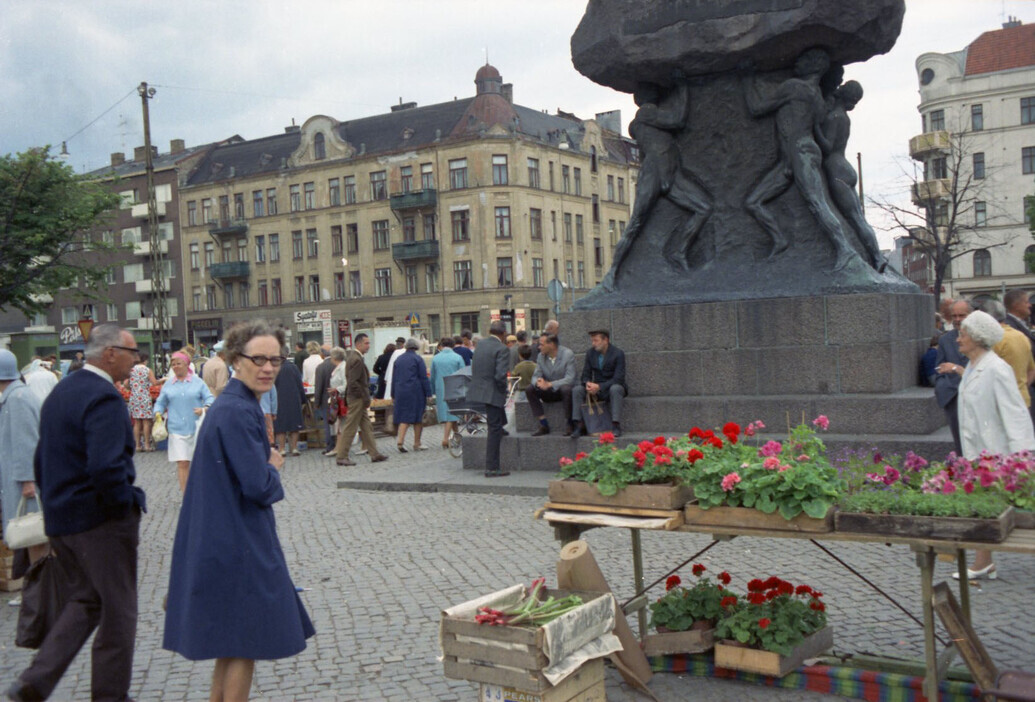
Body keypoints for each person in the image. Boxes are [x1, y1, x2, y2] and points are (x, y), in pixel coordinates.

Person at [163, 321, 315, 701]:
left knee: (233, 644)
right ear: (235, 359)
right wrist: (273, 467)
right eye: (258, 359)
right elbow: (258, 486)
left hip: (224, 538)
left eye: (275, 360)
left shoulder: (233, 404)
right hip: (237, 543)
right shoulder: (237, 410)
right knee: (244, 644)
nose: (268, 368)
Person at [6, 325, 147, 702]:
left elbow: (42, 457)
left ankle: (34, 682)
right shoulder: (103, 397)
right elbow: (106, 467)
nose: (137, 361)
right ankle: (110, 695)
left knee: (85, 600)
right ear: (110, 353)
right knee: (119, 611)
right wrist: (122, 506)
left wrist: (56, 507)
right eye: (133, 352)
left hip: (64, 520)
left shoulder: (63, 390)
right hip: (99, 522)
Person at [743, 49, 857, 270]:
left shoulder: (794, 86)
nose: (798, 61)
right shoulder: (816, 96)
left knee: (816, 203)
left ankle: (846, 250)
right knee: (753, 202)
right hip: (793, 157)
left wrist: (747, 77)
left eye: (803, 59)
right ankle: (780, 240)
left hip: (801, 153)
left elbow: (756, 107)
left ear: (814, 66)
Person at [952, 310, 1035, 581]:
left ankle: (983, 561)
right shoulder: (974, 367)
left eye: (963, 333)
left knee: (1003, 511)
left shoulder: (997, 368)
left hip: (997, 454)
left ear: (977, 337)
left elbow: (1015, 414)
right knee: (981, 508)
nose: (958, 338)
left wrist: (1021, 459)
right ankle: (984, 562)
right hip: (977, 452)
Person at [0, 350, 46, 569]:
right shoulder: (16, 396)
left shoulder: (17, 399)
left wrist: (28, 481)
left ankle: (39, 590)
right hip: (22, 479)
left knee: (32, 536)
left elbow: (26, 442)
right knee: (30, 537)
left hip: (25, 484)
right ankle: (34, 588)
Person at [154, 351, 214, 493]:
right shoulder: (168, 384)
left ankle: (200, 493)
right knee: (182, 462)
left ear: (187, 364)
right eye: (173, 364)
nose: (175, 366)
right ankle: (186, 495)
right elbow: (160, 402)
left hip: (196, 428)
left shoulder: (198, 382)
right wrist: (157, 412)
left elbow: (210, 399)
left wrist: (204, 409)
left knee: (199, 464)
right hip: (176, 429)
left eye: (178, 363)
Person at [332, 334, 388, 466]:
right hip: (357, 398)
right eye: (366, 343)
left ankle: (374, 453)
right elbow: (353, 382)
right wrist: (364, 397)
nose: (368, 346)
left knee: (366, 426)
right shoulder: (356, 359)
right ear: (358, 344)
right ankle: (342, 456)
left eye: (369, 343)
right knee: (351, 427)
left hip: (357, 397)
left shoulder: (354, 357)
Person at [468, 321, 511, 477]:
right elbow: (500, 375)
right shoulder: (502, 348)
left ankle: (502, 426)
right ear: (504, 333)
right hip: (493, 391)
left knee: (497, 423)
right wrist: (503, 390)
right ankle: (492, 468)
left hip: (479, 389)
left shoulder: (481, 344)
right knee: (494, 430)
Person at [571, 329, 628, 438]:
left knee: (616, 389)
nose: (593, 344)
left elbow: (619, 378)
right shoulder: (590, 353)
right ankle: (578, 425)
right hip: (595, 388)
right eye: (592, 341)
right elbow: (585, 375)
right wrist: (587, 383)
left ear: (605, 340)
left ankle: (615, 425)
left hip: (611, 386)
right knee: (577, 390)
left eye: (596, 341)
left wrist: (600, 387)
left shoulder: (618, 353)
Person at [935, 300, 972, 455]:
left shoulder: (982, 339)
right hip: (953, 398)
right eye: (954, 316)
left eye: (961, 315)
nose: (957, 319)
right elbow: (938, 369)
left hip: (974, 395)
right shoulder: (945, 339)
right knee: (959, 445)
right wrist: (942, 388)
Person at [525, 334, 576, 436]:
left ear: (551, 345)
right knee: (530, 389)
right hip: (547, 391)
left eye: (541, 344)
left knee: (566, 389)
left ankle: (569, 423)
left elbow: (570, 378)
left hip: (562, 391)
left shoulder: (567, 354)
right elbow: (535, 376)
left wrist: (550, 384)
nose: (539, 347)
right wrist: (538, 382)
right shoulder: (540, 356)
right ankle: (543, 424)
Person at [391, 338, 432, 452]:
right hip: (415, 391)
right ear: (417, 347)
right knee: (417, 418)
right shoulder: (417, 359)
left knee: (404, 417)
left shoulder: (398, 360)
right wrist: (428, 392)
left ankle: (400, 441)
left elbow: (394, 378)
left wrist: (393, 393)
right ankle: (417, 443)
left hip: (400, 391)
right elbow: (423, 377)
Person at [430, 337, 466, 449]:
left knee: (449, 413)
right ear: (453, 345)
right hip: (455, 387)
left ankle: (458, 437)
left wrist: (432, 390)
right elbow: (463, 374)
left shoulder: (435, 358)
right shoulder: (458, 357)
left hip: (441, 388)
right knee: (452, 413)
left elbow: (432, 376)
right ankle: (445, 439)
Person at [273, 351, 307, 457]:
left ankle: (282, 449)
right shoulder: (293, 367)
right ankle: (294, 448)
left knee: (280, 425)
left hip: (278, 398)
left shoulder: (274, 368)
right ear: (287, 355)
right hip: (293, 398)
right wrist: (303, 399)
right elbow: (299, 384)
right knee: (294, 424)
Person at [128, 352, 159, 453]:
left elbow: (126, 384)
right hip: (145, 397)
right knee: (146, 422)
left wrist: (133, 387)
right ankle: (147, 445)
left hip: (134, 397)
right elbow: (154, 383)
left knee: (137, 422)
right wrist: (163, 380)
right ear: (145, 361)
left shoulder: (131, 370)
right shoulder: (147, 370)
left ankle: (137, 445)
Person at [314, 347, 340, 454]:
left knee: (328, 423)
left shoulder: (321, 367)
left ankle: (330, 446)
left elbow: (319, 386)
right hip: (339, 398)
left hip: (326, 399)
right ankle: (340, 445)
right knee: (339, 423)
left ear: (322, 354)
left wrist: (317, 402)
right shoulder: (338, 365)